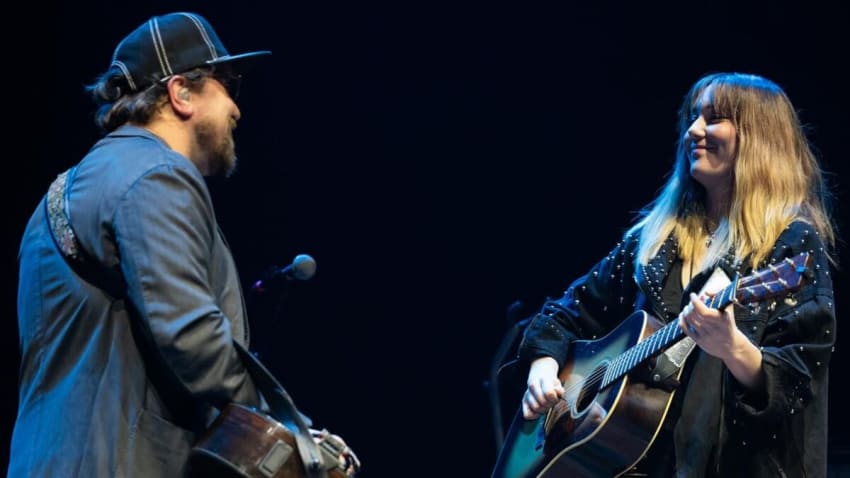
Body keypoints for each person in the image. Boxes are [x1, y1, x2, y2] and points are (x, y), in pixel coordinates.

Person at [10, 12, 358, 478]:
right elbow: (191, 338)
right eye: (226, 83)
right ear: (181, 92)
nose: (237, 107)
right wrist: (283, 427)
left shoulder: (58, 193)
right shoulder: (159, 175)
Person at [514, 72, 837, 477]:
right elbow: (564, 314)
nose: (694, 130)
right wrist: (542, 367)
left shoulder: (791, 243)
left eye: (714, 118)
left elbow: (798, 381)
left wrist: (733, 347)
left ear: (758, 137)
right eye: (692, 117)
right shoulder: (654, 240)